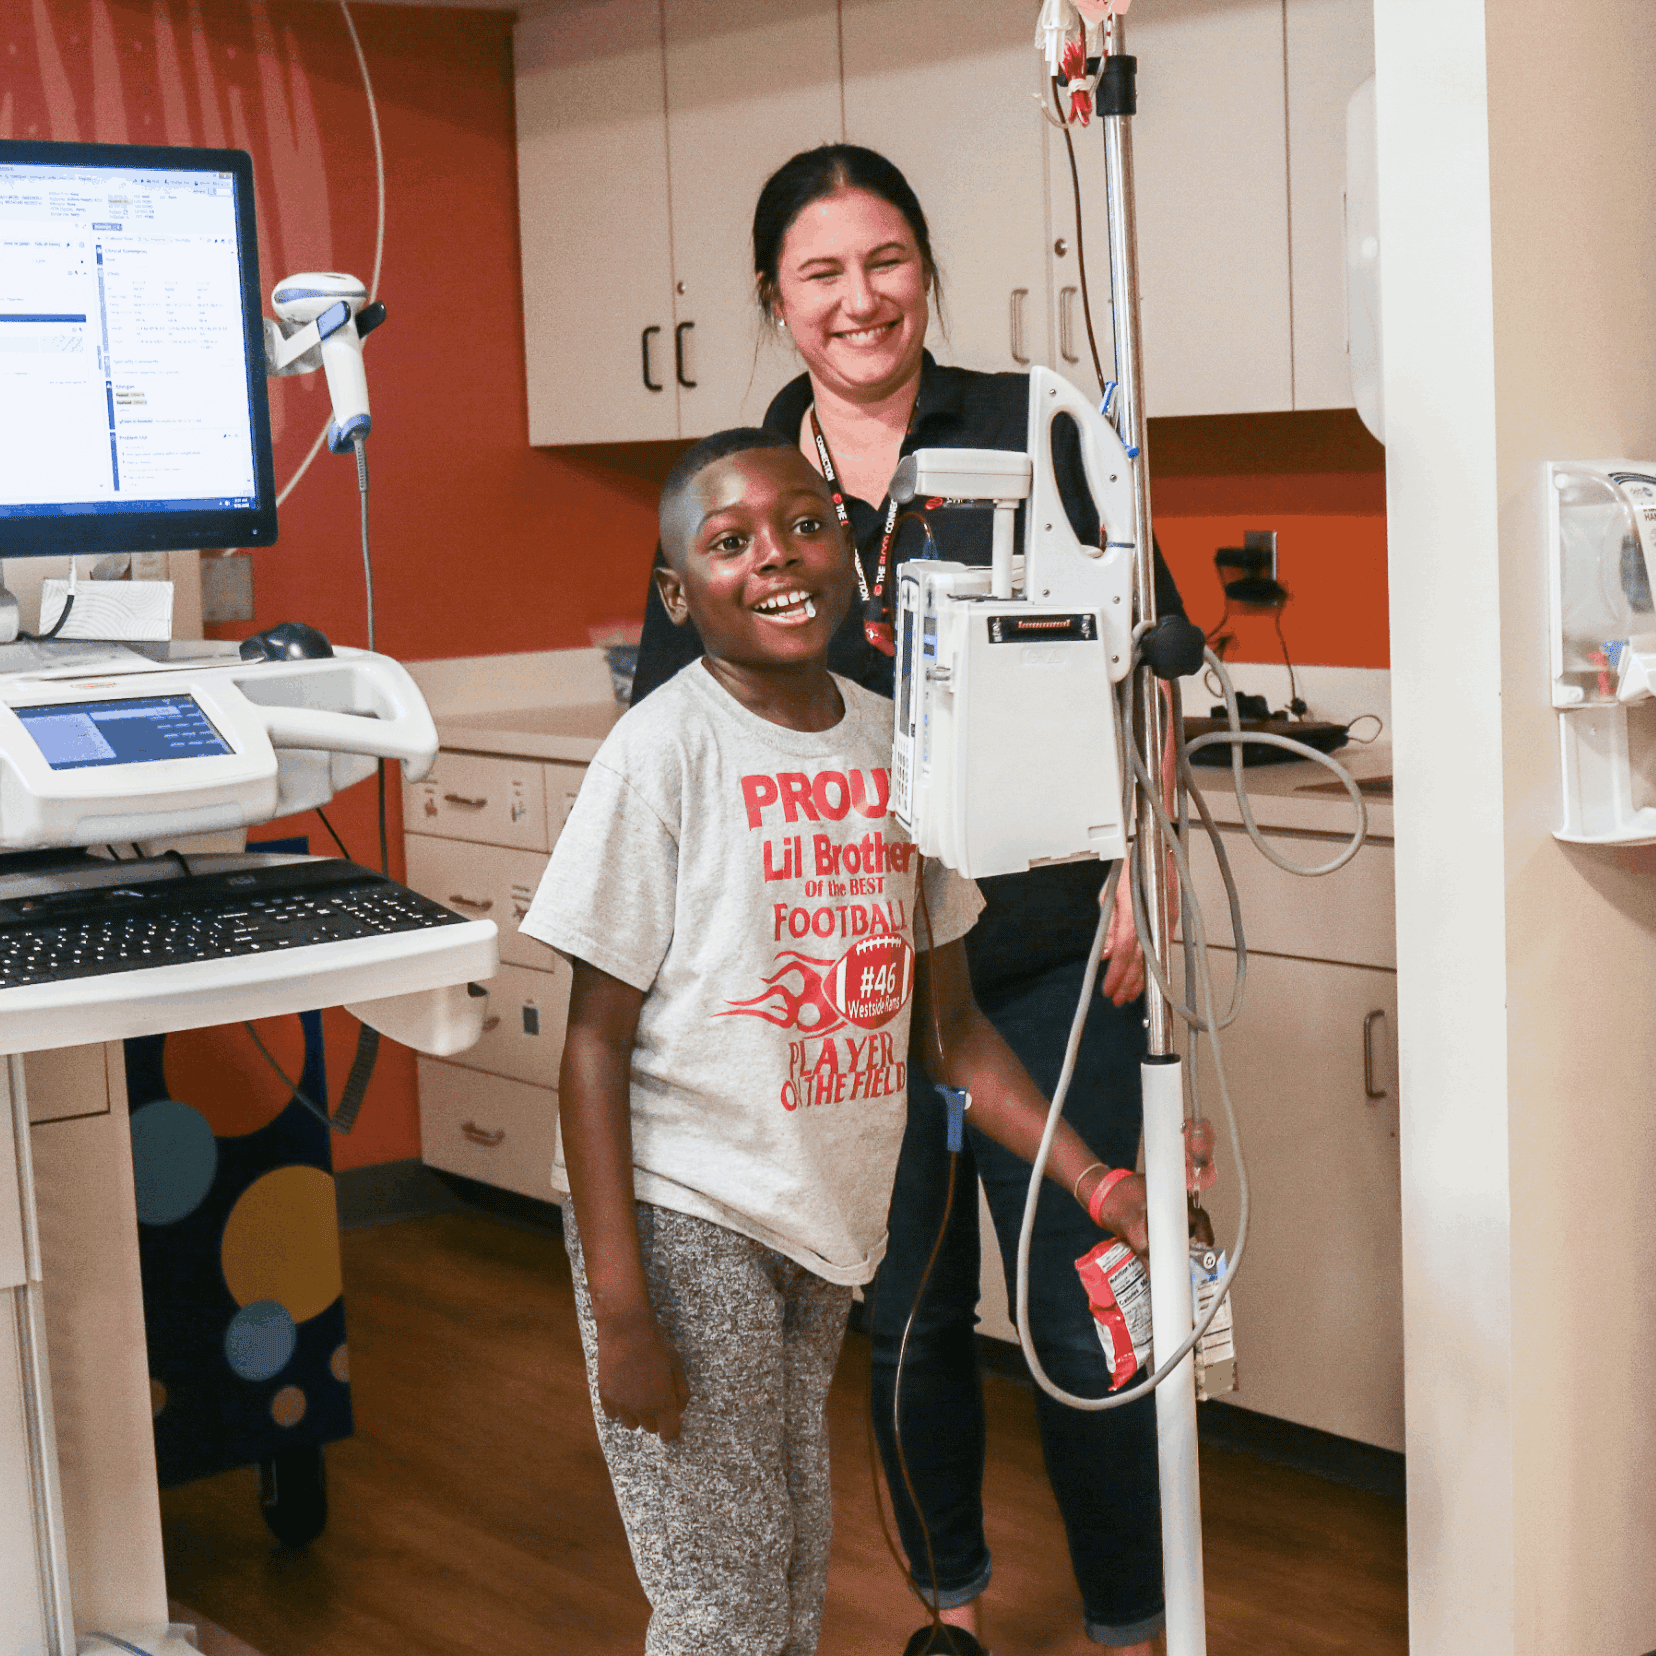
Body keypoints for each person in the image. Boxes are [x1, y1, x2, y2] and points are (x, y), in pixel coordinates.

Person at [629, 147, 1184, 1656]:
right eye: (821, 273)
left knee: (1089, 1313)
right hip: (859, 979)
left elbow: (1154, 655)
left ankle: (1134, 1627)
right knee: (912, 1317)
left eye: (885, 261)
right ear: (774, 301)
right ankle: (953, 1615)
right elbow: (678, 726)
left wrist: (1150, 857)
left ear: (927, 271)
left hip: (1051, 949)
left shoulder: (1037, 427)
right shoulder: (747, 490)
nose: (859, 298)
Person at [522, 428, 1149, 1656]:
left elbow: (954, 1034)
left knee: (795, 1554)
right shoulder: (665, 749)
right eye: (730, 541)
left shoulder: (900, 749)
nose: (777, 559)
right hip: (686, 1211)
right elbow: (590, 1046)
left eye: (805, 524)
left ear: (855, 547)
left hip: (819, 1224)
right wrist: (622, 1306)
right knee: (722, 1596)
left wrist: (1096, 1176)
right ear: (677, 591)